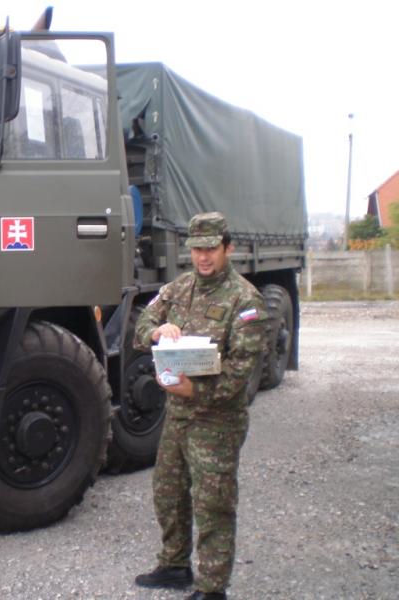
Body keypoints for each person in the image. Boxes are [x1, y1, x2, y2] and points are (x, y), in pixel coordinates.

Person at [133, 212, 268, 600]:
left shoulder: (245, 300)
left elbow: (241, 372)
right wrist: (157, 331)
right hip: (178, 415)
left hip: (217, 420)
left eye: (210, 249)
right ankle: (175, 565)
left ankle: (212, 588)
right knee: (169, 492)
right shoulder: (179, 288)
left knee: (213, 504)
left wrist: (194, 390)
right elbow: (142, 325)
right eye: (196, 250)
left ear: (228, 248)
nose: (203, 258)